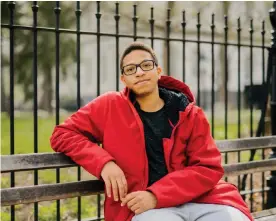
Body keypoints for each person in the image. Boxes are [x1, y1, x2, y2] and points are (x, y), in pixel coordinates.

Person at [50, 42, 253, 221]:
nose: (139, 72)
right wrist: (104, 163)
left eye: (146, 65)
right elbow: (63, 134)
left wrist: (157, 194)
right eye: (131, 69)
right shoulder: (110, 105)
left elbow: (208, 168)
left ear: (158, 71)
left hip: (203, 200)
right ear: (124, 79)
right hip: (142, 208)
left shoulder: (190, 113)